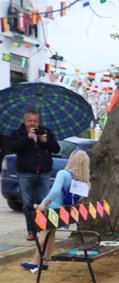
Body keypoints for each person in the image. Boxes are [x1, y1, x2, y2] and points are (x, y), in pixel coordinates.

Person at [20, 150, 90, 272]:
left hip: (53, 207)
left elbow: (55, 191)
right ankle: (46, 261)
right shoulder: (83, 180)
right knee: (51, 234)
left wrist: (43, 204)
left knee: (43, 234)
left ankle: (35, 262)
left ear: (72, 159)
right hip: (64, 210)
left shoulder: (63, 173)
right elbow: (81, 197)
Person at [7, 109, 60, 241]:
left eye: (35, 121)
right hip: (25, 173)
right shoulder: (17, 133)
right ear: (25, 121)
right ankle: (32, 231)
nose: (33, 123)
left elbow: (56, 149)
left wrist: (46, 141)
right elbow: (12, 148)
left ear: (38, 121)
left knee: (45, 203)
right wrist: (27, 138)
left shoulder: (45, 131)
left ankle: (44, 230)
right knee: (27, 204)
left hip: (43, 173)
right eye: (30, 121)